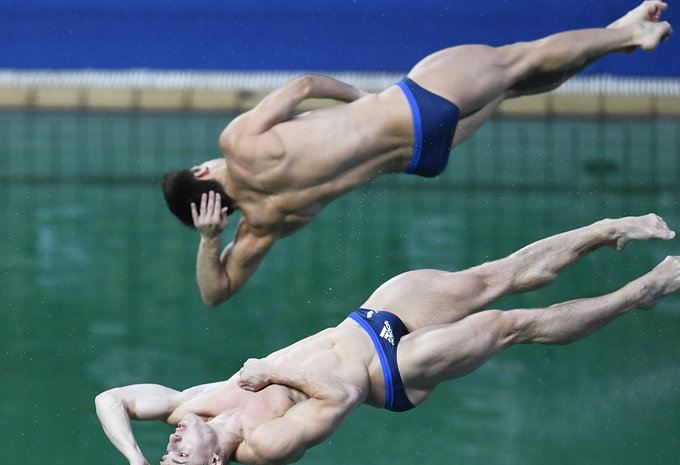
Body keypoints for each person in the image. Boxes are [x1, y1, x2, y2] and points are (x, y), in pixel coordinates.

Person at [95, 214, 680, 465]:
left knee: (493, 276)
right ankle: (641, 292)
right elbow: (340, 399)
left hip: (367, 322)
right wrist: (273, 373)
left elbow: (111, 400)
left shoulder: (190, 403)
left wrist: (134, 456)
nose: (171, 440)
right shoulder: (263, 446)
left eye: (166, 449)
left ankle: (606, 232)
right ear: (217, 461)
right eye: (178, 454)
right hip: (393, 373)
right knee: (509, 325)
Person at [160, 2, 673, 306]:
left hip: (424, 154)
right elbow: (304, 84)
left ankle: (615, 40)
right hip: (410, 108)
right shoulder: (238, 143)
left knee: (514, 86)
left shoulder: (265, 223)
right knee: (519, 58)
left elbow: (215, 293)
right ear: (202, 170)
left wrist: (210, 242)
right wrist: (365, 100)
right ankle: (629, 32)